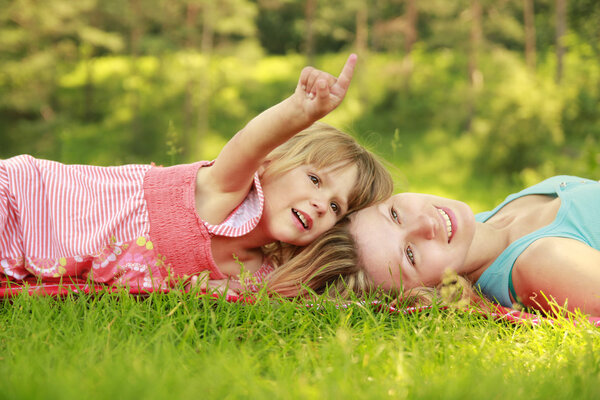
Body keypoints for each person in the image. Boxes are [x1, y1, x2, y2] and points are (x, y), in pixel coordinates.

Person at [0, 54, 394, 295]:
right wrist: (300, 112)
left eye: (336, 205)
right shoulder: (225, 191)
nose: (320, 204)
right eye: (315, 180)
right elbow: (249, 143)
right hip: (28, 199)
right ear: (271, 164)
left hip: (28, 252)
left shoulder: (261, 272)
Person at [273, 176, 600, 317]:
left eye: (395, 214)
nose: (425, 224)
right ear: (427, 292)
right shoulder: (541, 262)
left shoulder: (492, 219)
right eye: (411, 255)